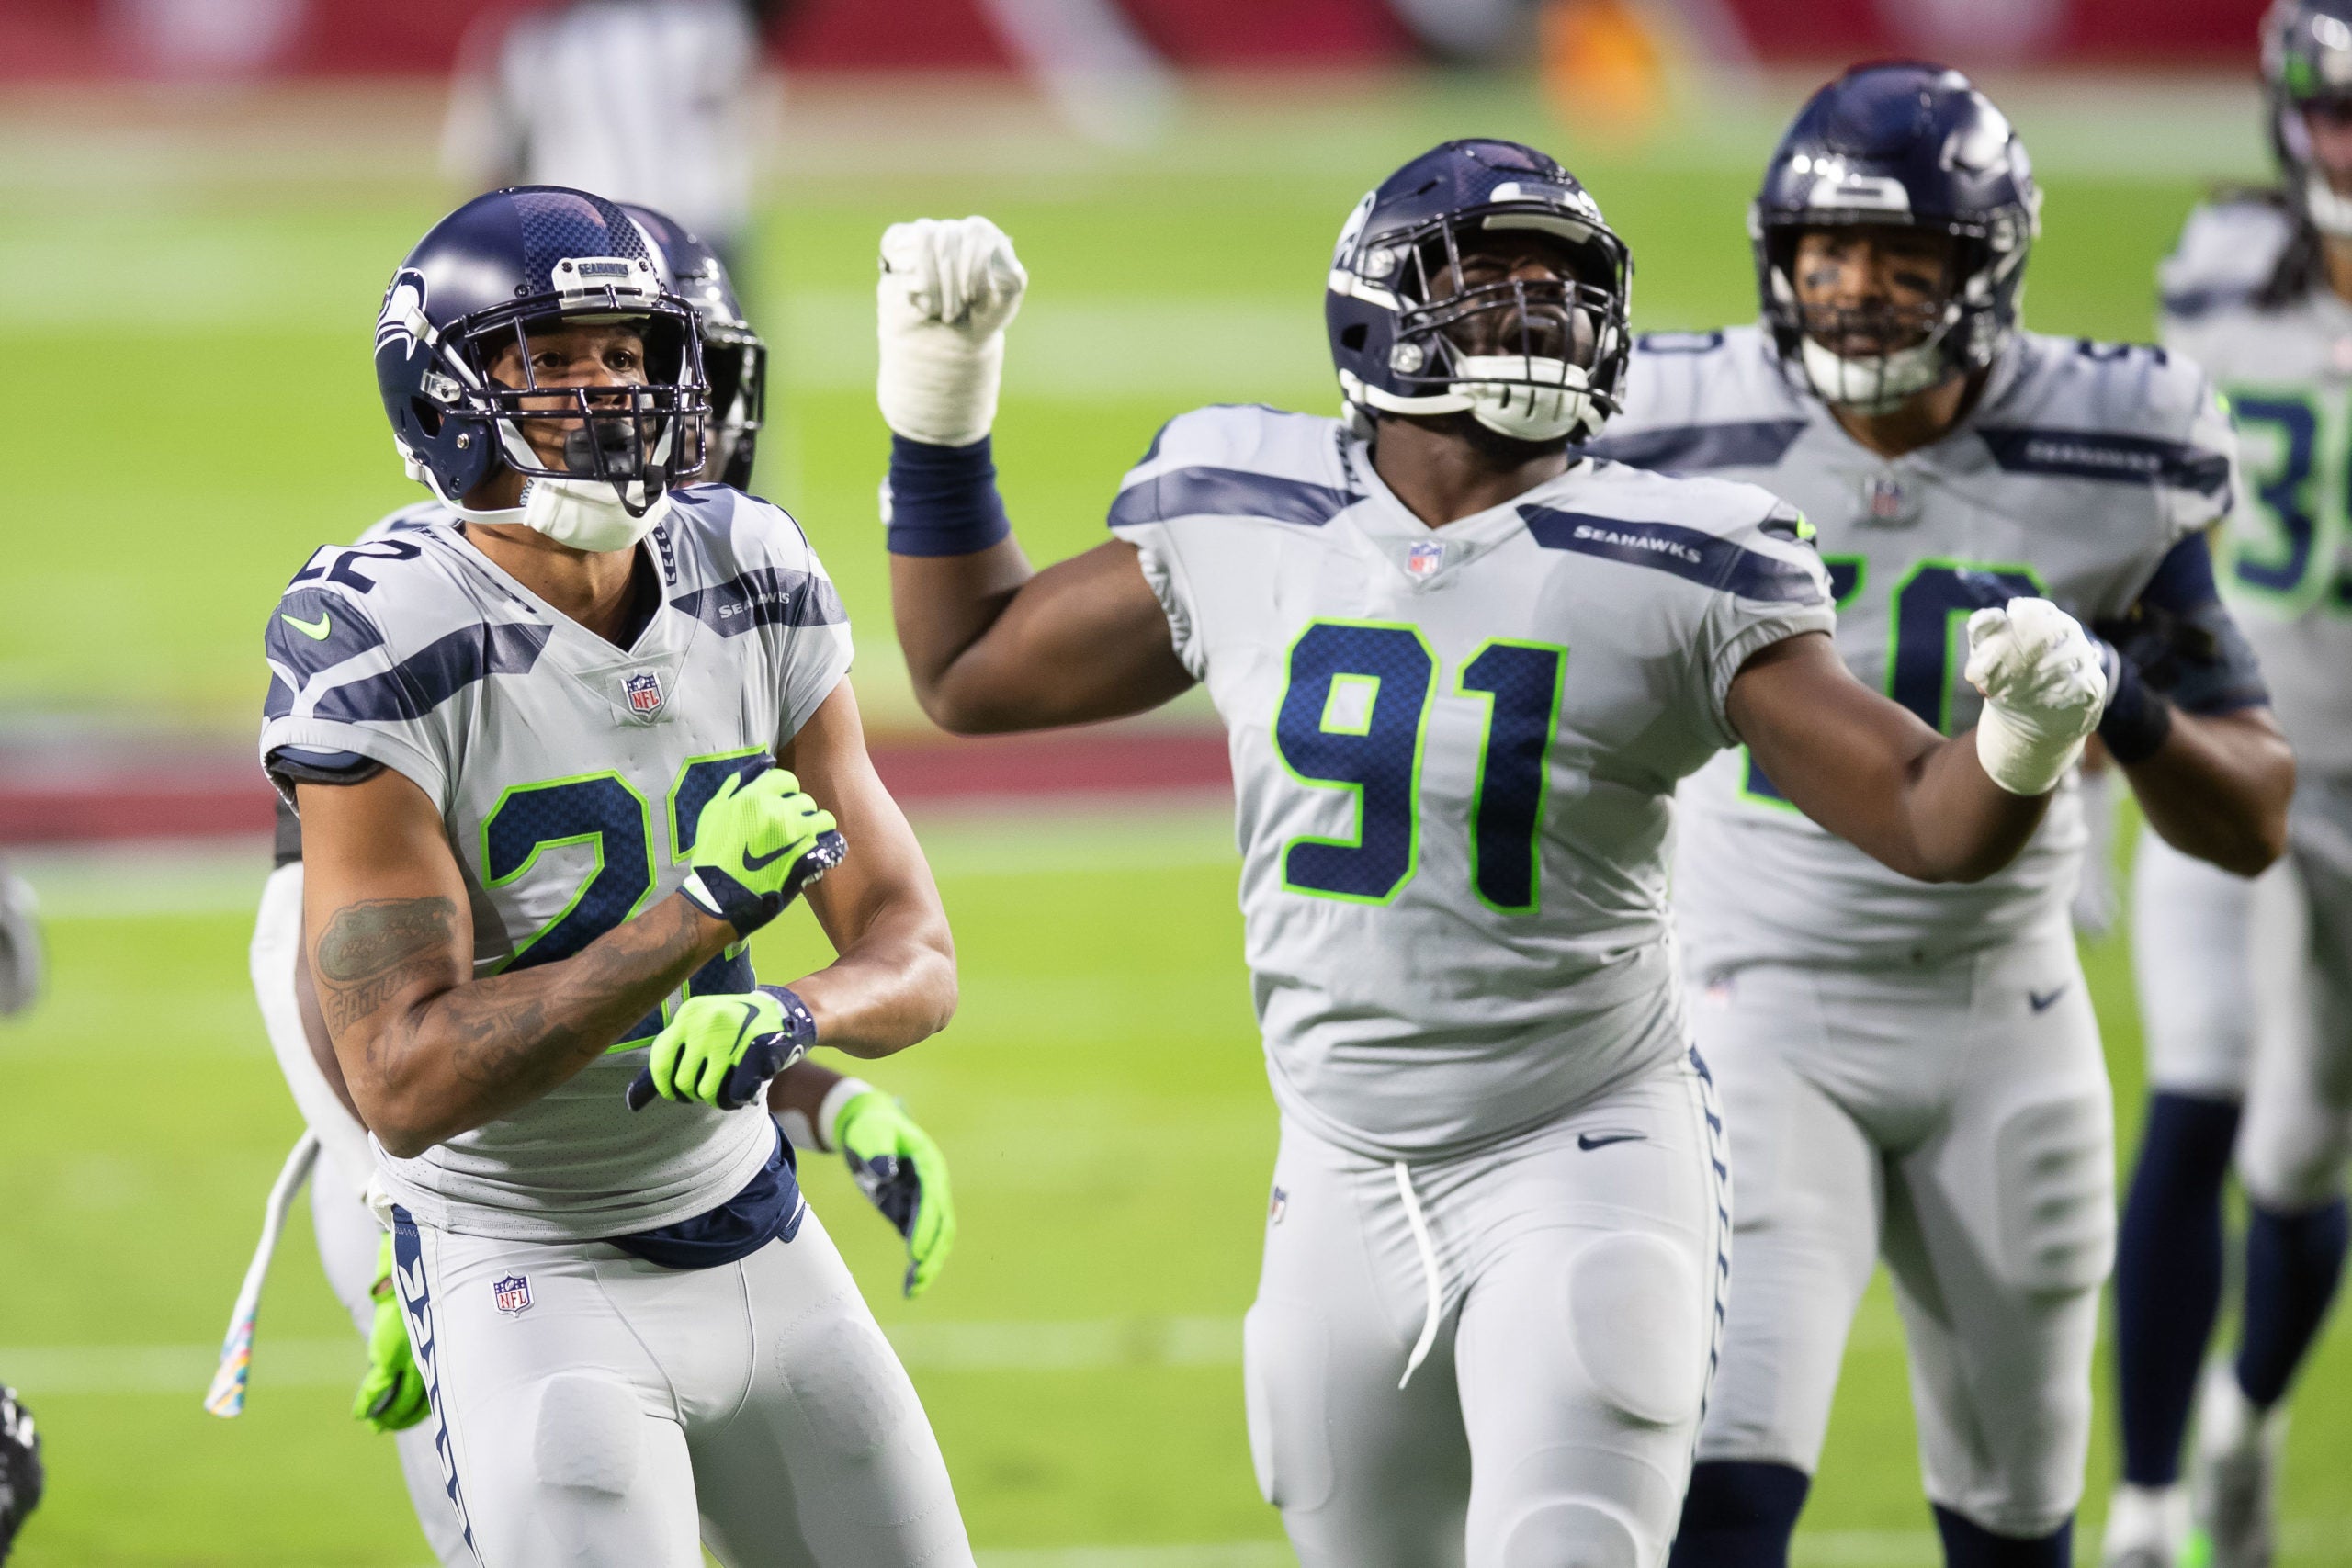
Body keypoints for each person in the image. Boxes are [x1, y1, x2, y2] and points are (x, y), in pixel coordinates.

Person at [873, 139, 2112, 1567]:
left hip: (1581, 1147)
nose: (1536, 309)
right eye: (1493, 276)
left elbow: (1924, 816)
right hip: (1337, 1167)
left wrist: (2017, 739)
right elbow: (967, 669)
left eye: (1565, 283)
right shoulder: (1243, 501)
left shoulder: (1680, 554)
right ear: (1375, 304)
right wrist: (941, 411)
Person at [1578, 63, 2293, 1567]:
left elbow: (2252, 814)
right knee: (1724, 1474)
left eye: (1903, 264)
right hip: (1745, 995)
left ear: (1985, 275)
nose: (1853, 294)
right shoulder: (1673, 430)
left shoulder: (2110, 451)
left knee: (2017, 1511)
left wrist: (2121, 698)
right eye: (1826, 257)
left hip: (2002, 1011)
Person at [262, 185, 972, 1568]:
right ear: (450, 390)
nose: (610, 395)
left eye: (629, 355)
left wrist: (797, 1020)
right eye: (556, 358)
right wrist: (694, 920)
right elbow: (401, 1078)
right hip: (527, 1264)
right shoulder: (380, 628)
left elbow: (916, 945)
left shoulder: (748, 564)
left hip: (758, 1223)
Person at [2105, 3, 2352, 1561]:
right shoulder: (2217, 267)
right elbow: (2148, 511)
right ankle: (2142, 1504)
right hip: (2224, 739)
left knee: (2303, 1149)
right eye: (2339, 113)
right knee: (2194, 1083)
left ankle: (2243, 1420)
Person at [442, 0, 764, 272]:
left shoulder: (532, 40)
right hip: (689, 226)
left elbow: (494, 165)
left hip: (592, 231)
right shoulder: (709, 25)